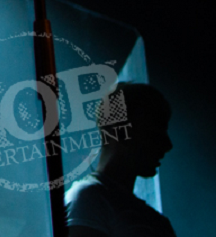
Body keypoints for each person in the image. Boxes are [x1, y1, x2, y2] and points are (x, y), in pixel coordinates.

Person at [66, 83, 176, 237]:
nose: (167, 145)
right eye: (154, 133)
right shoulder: (88, 200)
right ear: (120, 131)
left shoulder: (156, 220)